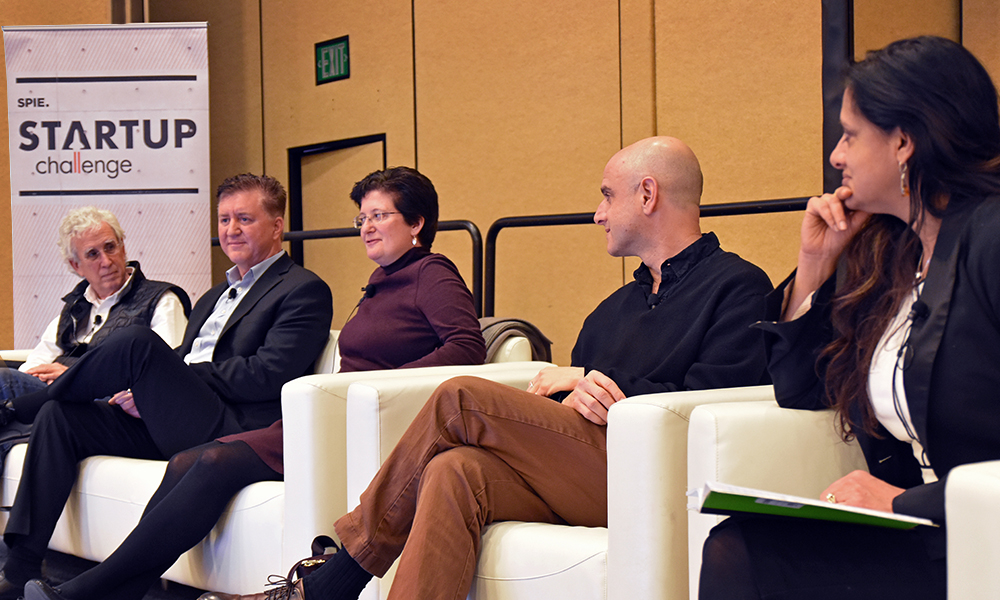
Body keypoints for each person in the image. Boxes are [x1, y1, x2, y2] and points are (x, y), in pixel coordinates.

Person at [200, 136, 774, 600]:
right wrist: (570, 394)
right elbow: (571, 401)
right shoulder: (613, 307)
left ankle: (336, 571)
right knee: (455, 470)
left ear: (647, 194)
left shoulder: (736, 285)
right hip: (582, 465)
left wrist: (600, 387)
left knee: (461, 397)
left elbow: (721, 398)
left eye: (607, 195)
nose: (598, 213)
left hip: (652, 471)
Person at [23, 166, 486, 600]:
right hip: (332, 415)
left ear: (417, 223)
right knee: (190, 460)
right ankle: (104, 590)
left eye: (379, 216)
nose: (365, 226)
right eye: (361, 217)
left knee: (177, 409)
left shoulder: (431, 272)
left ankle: (83, 588)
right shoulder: (384, 281)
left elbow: (467, 347)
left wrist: (377, 391)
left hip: (357, 418)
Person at [697, 36, 1000, 600]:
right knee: (741, 544)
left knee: (750, 557)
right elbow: (800, 389)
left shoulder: (990, 237)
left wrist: (902, 502)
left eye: (850, 134)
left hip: (983, 536)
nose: (836, 156)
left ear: (904, 141)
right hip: (933, 530)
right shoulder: (895, 254)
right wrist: (814, 265)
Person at [0, 174, 334, 600]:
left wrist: (177, 380)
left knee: (136, 343)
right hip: (180, 419)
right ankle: (21, 565)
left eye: (244, 219)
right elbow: (180, 360)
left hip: (231, 422)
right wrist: (152, 391)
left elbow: (268, 374)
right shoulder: (216, 295)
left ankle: (17, 407)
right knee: (61, 416)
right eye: (224, 219)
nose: (231, 230)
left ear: (276, 225)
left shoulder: (302, 289)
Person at [0, 206, 189, 403]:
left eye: (110, 247)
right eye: (93, 254)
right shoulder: (75, 307)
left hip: (111, 406)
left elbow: (167, 375)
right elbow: (35, 364)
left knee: (4, 381)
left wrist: (72, 376)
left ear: (123, 248)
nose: (106, 261)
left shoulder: (160, 301)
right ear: (76, 266)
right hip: (60, 402)